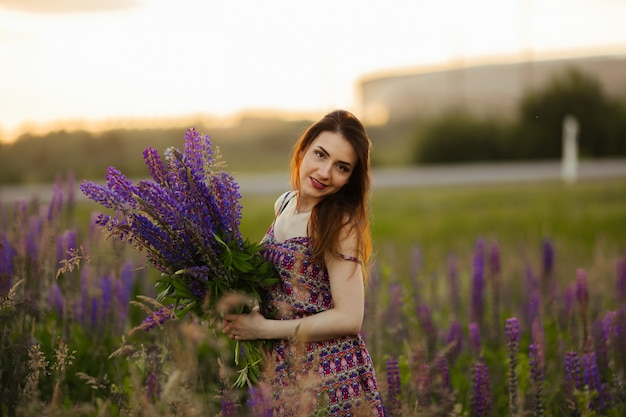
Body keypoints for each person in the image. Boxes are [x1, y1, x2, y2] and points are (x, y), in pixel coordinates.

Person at [222, 110, 385, 416]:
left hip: (332, 376)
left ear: (351, 177)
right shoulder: (284, 203)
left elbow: (350, 318)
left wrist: (263, 329)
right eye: (320, 155)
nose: (324, 172)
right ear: (303, 149)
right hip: (285, 370)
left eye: (341, 167)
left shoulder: (340, 224)